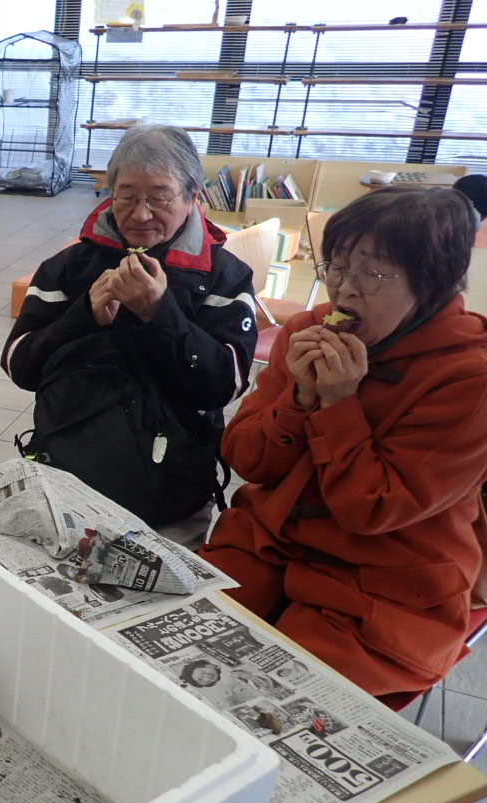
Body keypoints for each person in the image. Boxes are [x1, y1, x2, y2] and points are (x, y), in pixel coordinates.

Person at [199, 186, 487, 709]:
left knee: (269, 710)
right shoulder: (307, 331)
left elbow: (372, 510)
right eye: (335, 266)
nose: (344, 290)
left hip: (386, 584)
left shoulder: (469, 377)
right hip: (268, 544)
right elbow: (245, 458)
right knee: (170, 648)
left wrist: (337, 406)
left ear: (432, 283)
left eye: (372, 274)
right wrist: (300, 399)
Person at [1, 124, 257, 529]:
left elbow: (224, 386)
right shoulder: (68, 268)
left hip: (169, 494)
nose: (140, 214)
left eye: (159, 198)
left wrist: (160, 313)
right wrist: (82, 315)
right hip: (61, 479)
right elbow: (20, 366)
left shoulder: (225, 278)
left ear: (192, 196)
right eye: (127, 196)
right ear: (111, 193)